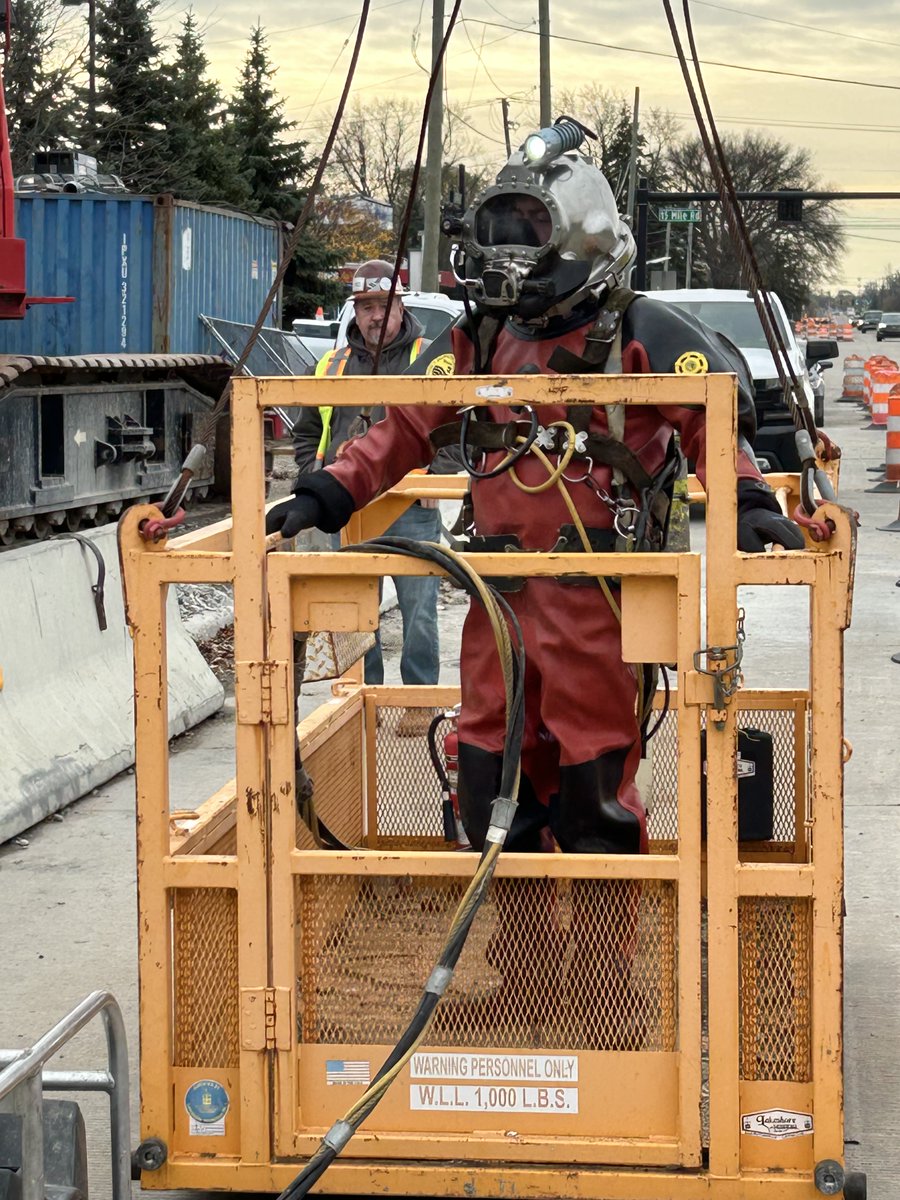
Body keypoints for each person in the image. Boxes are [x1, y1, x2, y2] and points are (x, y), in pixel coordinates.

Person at [270, 140, 803, 860]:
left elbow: (710, 419)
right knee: (493, 787)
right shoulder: (480, 336)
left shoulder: (636, 333)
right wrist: (326, 493)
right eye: (501, 228)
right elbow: (404, 427)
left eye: (530, 227)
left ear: (579, 239)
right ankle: (522, 968)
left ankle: (600, 973)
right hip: (497, 603)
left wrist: (748, 499)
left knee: (594, 801)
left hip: (597, 608)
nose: (509, 250)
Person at [291, 260, 442, 737]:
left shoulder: (427, 356)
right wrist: (313, 475)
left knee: (420, 606)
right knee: (358, 611)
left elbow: (456, 424)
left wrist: (438, 477)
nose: (376, 316)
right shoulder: (332, 366)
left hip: (409, 504)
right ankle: (365, 697)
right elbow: (307, 431)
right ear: (355, 312)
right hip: (352, 509)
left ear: (402, 306)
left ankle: (418, 700)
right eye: (366, 307)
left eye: (385, 305)